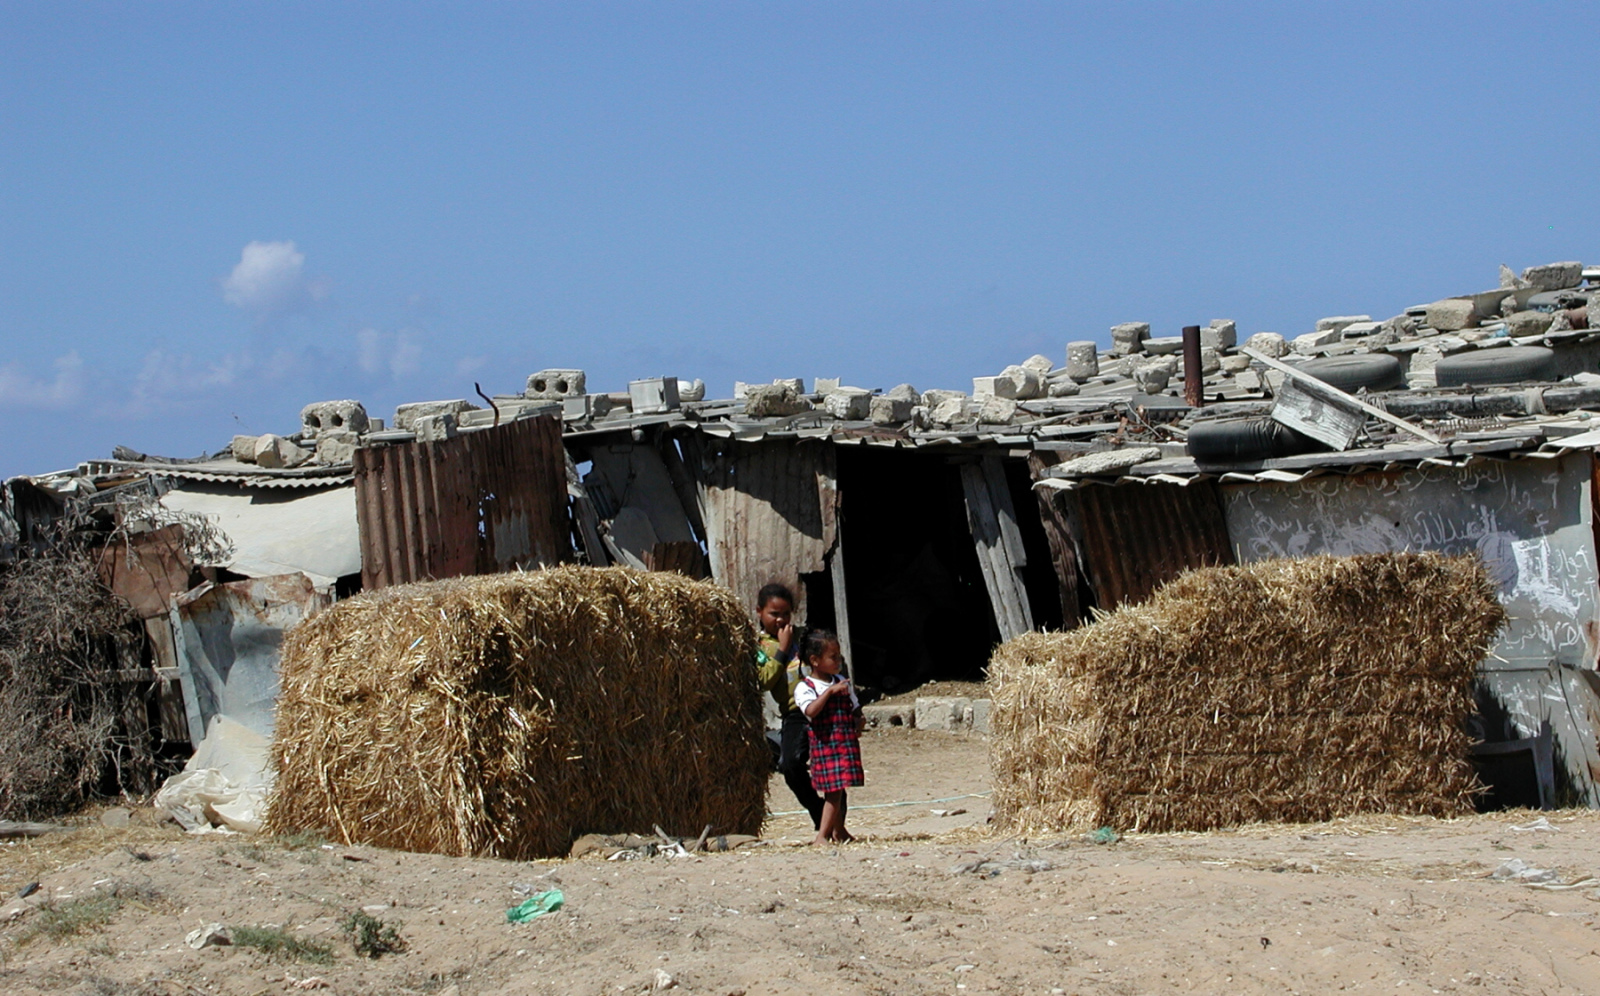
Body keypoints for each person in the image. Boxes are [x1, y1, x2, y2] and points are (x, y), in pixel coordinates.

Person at [752, 583, 825, 831]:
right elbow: (765, 680)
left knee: (831, 764)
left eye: (785, 614)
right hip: (796, 713)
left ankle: (834, 823)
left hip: (823, 708)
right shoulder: (761, 647)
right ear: (759, 611)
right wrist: (782, 649)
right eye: (774, 614)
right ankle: (819, 811)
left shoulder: (804, 637)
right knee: (790, 765)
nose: (781, 620)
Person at [793, 628, 863, 845]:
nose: (838, 661)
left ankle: (839, 831)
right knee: (833, 792)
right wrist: (829, 692)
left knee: (838, 789)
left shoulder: (841, 680)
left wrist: (859, 721)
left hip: (844, 744)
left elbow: (855, 708)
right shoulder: (806, 687)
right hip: (826, 746)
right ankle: (822, 835)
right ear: (815, 660)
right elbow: (811, 711)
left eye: (839, 655)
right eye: (833, 657)